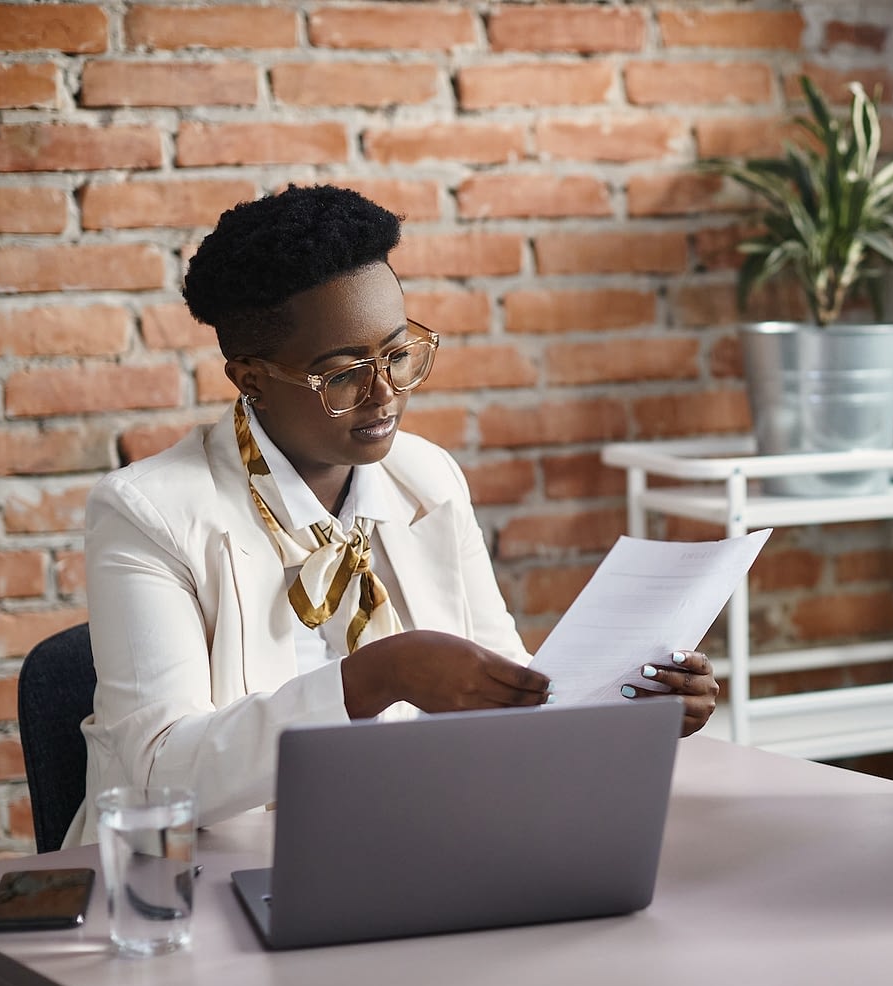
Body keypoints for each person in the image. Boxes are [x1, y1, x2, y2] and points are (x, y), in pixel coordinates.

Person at [65, 184, 719, 848]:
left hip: (421, 841)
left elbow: (508, 692)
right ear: (251, 379)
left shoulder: (425, 477)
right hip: (212, 877)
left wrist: (634, 702)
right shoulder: (149, 515)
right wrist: (379, 675)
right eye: (344, 373)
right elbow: (154, 777)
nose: (386, 395)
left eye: (399, 354)